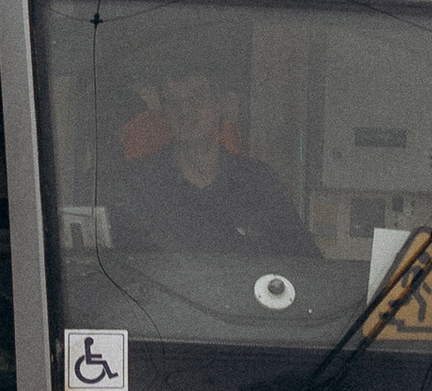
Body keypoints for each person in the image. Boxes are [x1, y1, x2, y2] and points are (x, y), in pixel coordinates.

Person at [114, 54, 315, 265]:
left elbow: (307, 262)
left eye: (196, 97)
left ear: (223, 105)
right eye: (172, 102)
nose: (183, 111)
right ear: (163, 113)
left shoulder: (259, 182)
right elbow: (121, 270)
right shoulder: (139, 184)